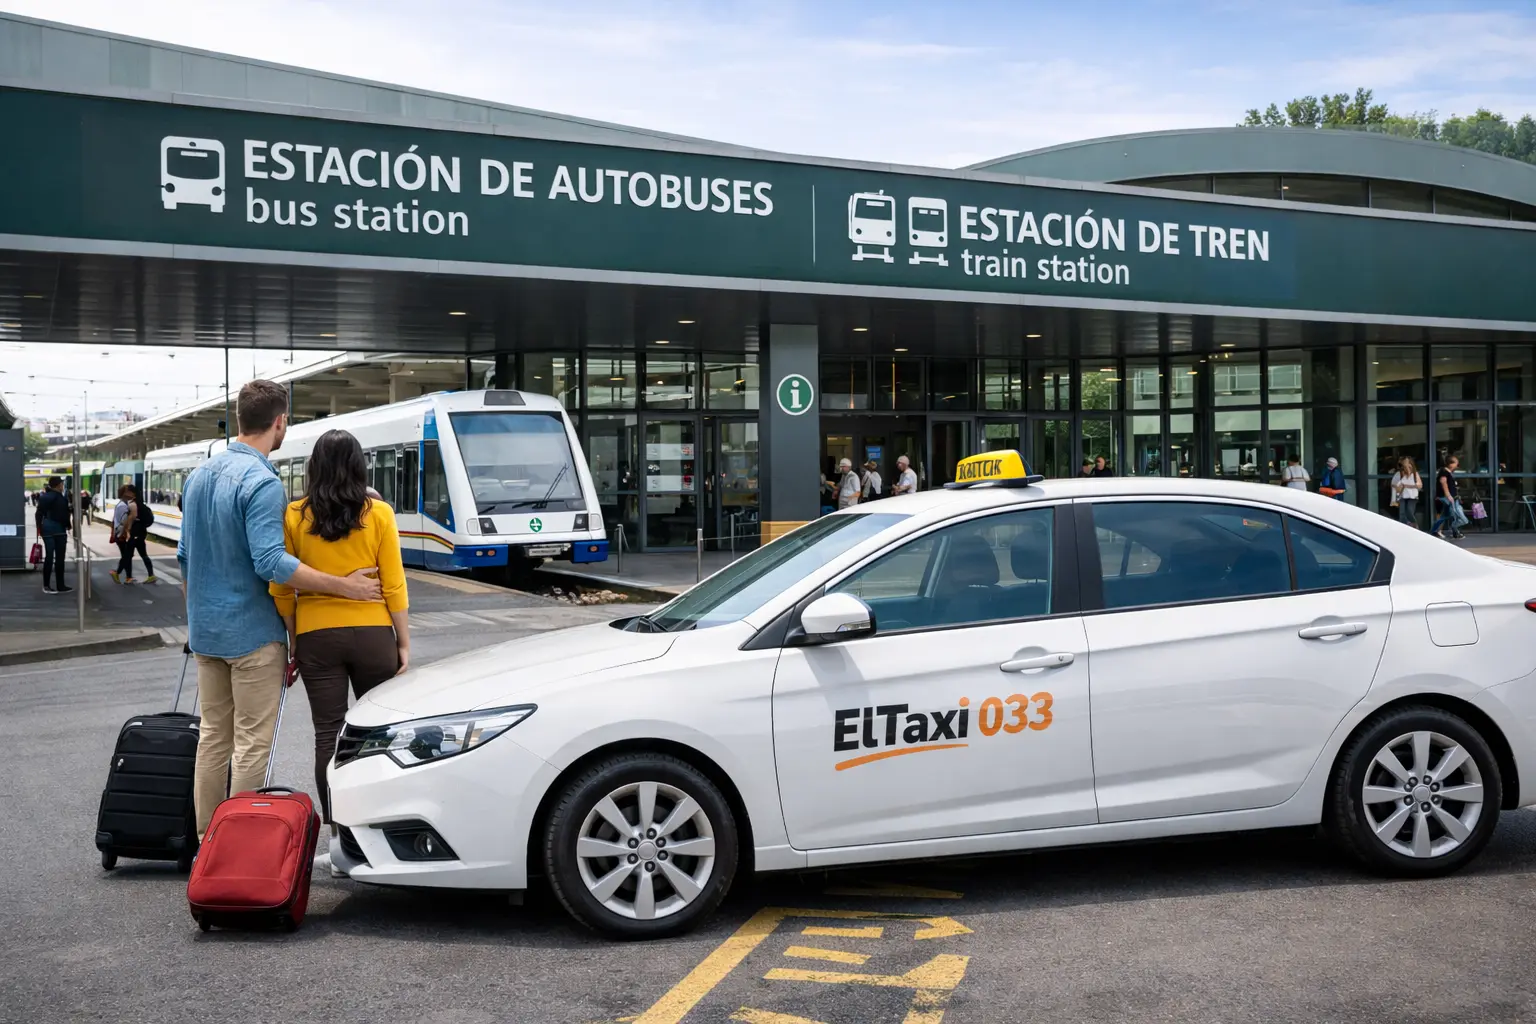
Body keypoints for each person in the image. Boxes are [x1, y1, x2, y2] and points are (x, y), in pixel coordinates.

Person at [178, 379, 383, 840]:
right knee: (251, 742)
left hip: (207, 633)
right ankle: (235, 846)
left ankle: (207, 843)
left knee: (213, 738)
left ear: (238, 418)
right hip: (252, 635)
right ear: (279, 421)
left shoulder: (198, 477)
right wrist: (343, 587)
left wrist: (197, 617)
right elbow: (271, 562)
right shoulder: (261, 482)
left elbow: (186, 557)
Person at [270, 430, 409, 832]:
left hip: (317, 637)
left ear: (313, 467)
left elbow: (282, 587)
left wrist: (296, 639)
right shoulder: (379, 513)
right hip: (373, 634)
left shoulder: (294, 515)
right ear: (358, 466)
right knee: (378, 733)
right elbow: (394, 583)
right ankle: (379, 824)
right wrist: (403, 642)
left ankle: (338, 831)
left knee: (328, 734)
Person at [110, 484, 157, 584]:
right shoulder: (141, 503)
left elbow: (132, 516)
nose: (126, 493)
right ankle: (151, 575)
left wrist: (128, 530)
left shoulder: (132, 504)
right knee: (143, 554)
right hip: (141, 532)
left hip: (135, 533)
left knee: (127, 554)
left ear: (132, 493)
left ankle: (117, 573)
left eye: (128, 491)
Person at [33, 475, 72, 595]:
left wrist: (39, 528)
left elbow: (38, 513)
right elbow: (64, 515)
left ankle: (46, 585)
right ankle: (61, 585)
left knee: (49, 556)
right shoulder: (61, 498)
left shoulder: (45, 497)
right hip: (59, 529)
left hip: (47, 528)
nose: (62, 486)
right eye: (61, 484)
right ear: (59, 485)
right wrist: (68, 525)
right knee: (60, 557)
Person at [1430, 455, 1464, 540]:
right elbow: (1443, 482)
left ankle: (1437, 531)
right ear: (1451, 464)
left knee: (1447, 515)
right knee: (1454, 514)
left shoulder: (1447, 472)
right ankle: (1438, 531)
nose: (1457, 465)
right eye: (1456, 463)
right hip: (1446, 498)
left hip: (1449, 497)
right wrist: (1448, 495)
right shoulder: (1444, 472)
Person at [1391, 456, 1423, 529]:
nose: (1406, 468)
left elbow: (1419, 485)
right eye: (1405, 467)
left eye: (1408, 466)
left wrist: (1407, 485)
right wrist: (1398, 487)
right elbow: (1397, 487)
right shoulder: (1402, 475)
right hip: (1403, 496)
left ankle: (1415, 525)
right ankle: (1404, 528)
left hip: (1412, 497)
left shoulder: (1415, 474)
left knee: (1409, 511)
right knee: (1402, 514)